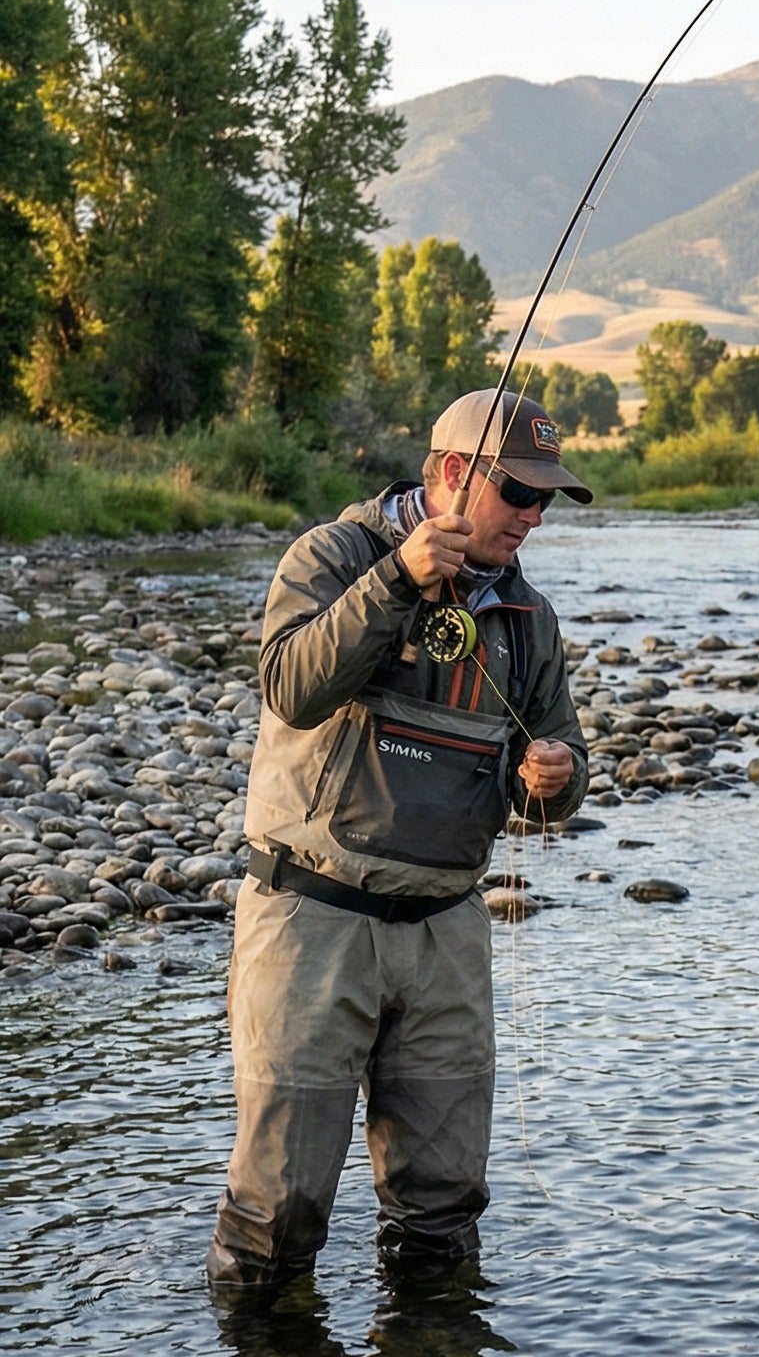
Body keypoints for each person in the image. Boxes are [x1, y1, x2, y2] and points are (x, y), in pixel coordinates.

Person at [207, 390, 593, 1291]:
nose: (533, 516)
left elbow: (560, 778)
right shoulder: (333, 556)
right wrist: (396, 582)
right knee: (277, 1219)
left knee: (443, 1223)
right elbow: (289, 687)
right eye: (519, 493)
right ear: (454, 474)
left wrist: (560, 776)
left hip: (446, 936)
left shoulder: (528, 622)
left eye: (546, 500)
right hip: (312, 920)